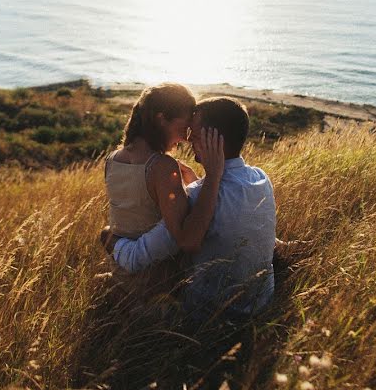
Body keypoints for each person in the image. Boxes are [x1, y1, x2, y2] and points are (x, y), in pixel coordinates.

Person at [109, 97, 277, 320]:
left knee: (127, 303)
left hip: (210, 315)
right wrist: (201, 180)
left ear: (216, 141)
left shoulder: (196, 196)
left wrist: (110, 239)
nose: (188, 142)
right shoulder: (260, 178)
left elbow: (136, 257)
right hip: (261, 302)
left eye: (195, 136)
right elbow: (225, 210)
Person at [102, 83, 225, 292]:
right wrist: (207, 181)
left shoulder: (112, 159)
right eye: (184, 126)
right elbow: (186, 237)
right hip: (156, 285)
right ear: (161, 119)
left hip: (121, 276)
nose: (187, 137)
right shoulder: (162, 166)